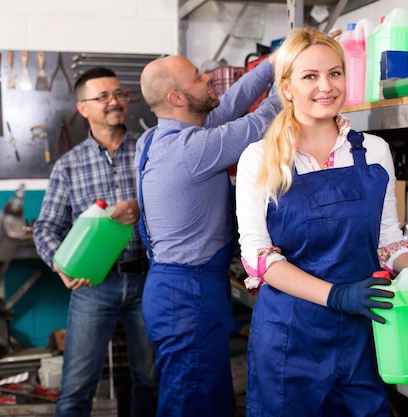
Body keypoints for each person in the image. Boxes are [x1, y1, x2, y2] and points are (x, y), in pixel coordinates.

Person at [235, 27, 408, 417]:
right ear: (286, 87)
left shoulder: (374, 151)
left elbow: (387, 237)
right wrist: (337, 296)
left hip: (362, 330)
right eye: (310, 76)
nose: (326, 86)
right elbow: (260, 258)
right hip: (290, 336)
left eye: (335, 73)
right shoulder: (261, 158)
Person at [134, 52, 280, 417]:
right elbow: (262, 119)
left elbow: (229, 106)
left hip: (172, 287)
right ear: (176, 98)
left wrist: (272, 63)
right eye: (199, 77)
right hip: (191, 293)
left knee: (194, 392)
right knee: (192, 399)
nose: (210, 79)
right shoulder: (194, 150)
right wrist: (293, 74)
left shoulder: (153, 139)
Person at [33, 67, 159, 417]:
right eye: (103, 96)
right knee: (77, 385)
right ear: (83, 108)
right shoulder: (68, 166)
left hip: (148, 280)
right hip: (93, 285)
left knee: (150, 379)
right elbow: (46, 228)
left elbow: (176, 211)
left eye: (118, 94)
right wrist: (59, 264)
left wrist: (141, 209)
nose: (115, 102)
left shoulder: (150, 149)